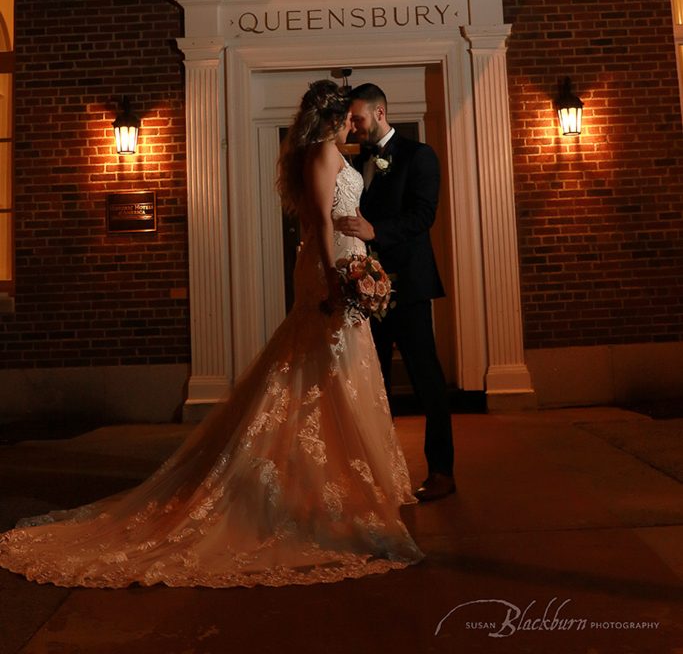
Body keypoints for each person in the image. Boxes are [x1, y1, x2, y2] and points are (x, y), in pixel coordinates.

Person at [0, 81, 422, 588]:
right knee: (319, 371)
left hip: (349, 266)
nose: (355, 124)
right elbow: (321, 228)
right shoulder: (319, 156)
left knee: (339, 372)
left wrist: (365, 264)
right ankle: (318, 488)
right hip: (329, 270)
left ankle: (347, 483)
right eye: (348, 118)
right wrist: (336, 278)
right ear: (332, 118)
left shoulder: (332, 153)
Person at [334, 83, 455, 503]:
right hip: (367, 288)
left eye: (358, 119)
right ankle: (385, 472)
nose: (354, 126)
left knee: (427, 380)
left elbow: (424, 215)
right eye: (350, 120)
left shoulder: (419, 156)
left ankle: (442, 470)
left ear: (380, 112)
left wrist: (375, 231)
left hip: (408, 285)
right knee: (376, 380)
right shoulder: (358, 161)